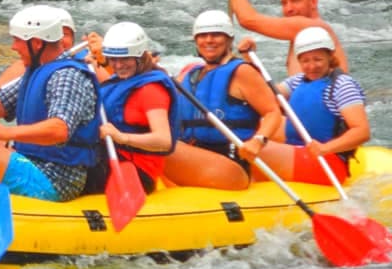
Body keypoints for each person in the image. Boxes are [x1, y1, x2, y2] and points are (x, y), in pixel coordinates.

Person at [0, 5, 101, 202]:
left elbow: (59, 130)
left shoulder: (67, 76)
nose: (13, 47)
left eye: (18, 40)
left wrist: (6, 132)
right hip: (31, 161)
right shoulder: (37, 71)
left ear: (37, 43)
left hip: (56, 179)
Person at [164, 10, 282, 190]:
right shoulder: (191, 75)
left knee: (157, 146)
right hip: (195, 156)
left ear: (229, 39)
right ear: (196, 41)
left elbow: (272, 112)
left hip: (229, 166)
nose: (209, 40)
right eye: (202, 35)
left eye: (216, 35)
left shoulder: (242, 72)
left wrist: (258, 140)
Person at [251, 26, 370, 185]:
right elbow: (263, 94)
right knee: (249, 130)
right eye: (305, 61)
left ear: (330, 56)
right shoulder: (298, 80)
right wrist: (249, 60)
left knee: (251, 152)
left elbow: (362, 132)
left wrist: (325, 148)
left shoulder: (342, 85)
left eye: (317, 59)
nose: (312, 66)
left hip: (326, 161)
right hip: (297, 149)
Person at [94, 22, 179, 193]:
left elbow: (164, 141)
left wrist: (121, 137)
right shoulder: (120, 81)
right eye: (113, 59)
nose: (118, 65)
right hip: (113, 158)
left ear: (139, 57)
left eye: (125, 59)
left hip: (137, 171)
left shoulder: (151, 90)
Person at [221, 0, 348, 74]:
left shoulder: (311, 27)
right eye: (284, 3)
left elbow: (248, 20)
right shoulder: (300, 36)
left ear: (313, 2)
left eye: (296, 1)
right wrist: (249, 58)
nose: (289, 9)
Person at [0, 5, 85, 87]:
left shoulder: (70, 75)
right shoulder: (26, 68)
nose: (58, 40)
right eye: (56, 34)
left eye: (64, 34)